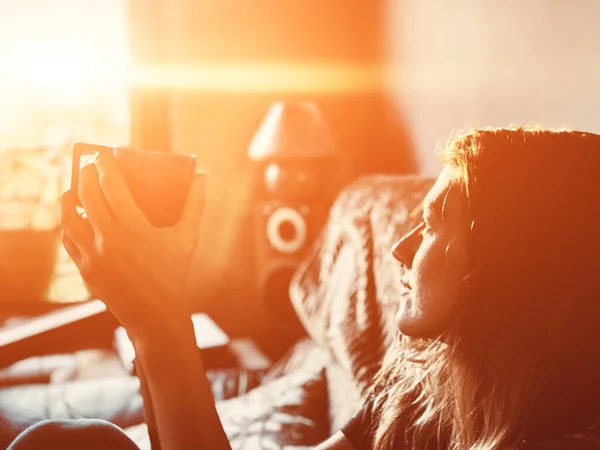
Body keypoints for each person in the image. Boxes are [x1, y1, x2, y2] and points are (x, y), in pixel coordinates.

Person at [8, 127, 600, 449]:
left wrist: (160, 320)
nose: (399, 249)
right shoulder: (425, 391)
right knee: (70, 444)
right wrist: (144, 311)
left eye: (432, 226)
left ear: (508, 260)